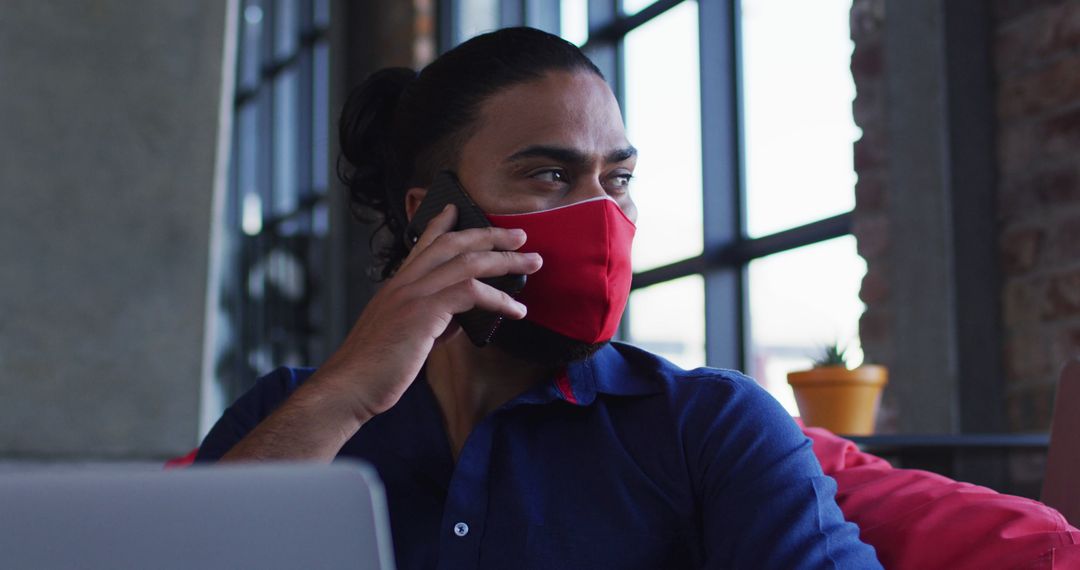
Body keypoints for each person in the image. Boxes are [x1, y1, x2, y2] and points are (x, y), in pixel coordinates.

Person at [196, 26, 881, 569]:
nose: (602, 212)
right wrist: (346, 396)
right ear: (432, 212)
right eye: (551, 174)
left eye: (618, 178)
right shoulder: (288, 413)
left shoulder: (711, 427)